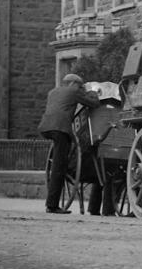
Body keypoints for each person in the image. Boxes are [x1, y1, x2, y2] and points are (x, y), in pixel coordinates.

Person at [38, 73, 100, 214]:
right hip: (60, 128)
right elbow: (94, 104)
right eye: (80, 85)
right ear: (73, 83)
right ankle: (52, 205)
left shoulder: (53, 92)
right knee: (59, 168)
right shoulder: (73, 91)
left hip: (46, 127)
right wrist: (93, 92)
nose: (81, 88)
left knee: (59, 162)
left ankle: (52, 203)